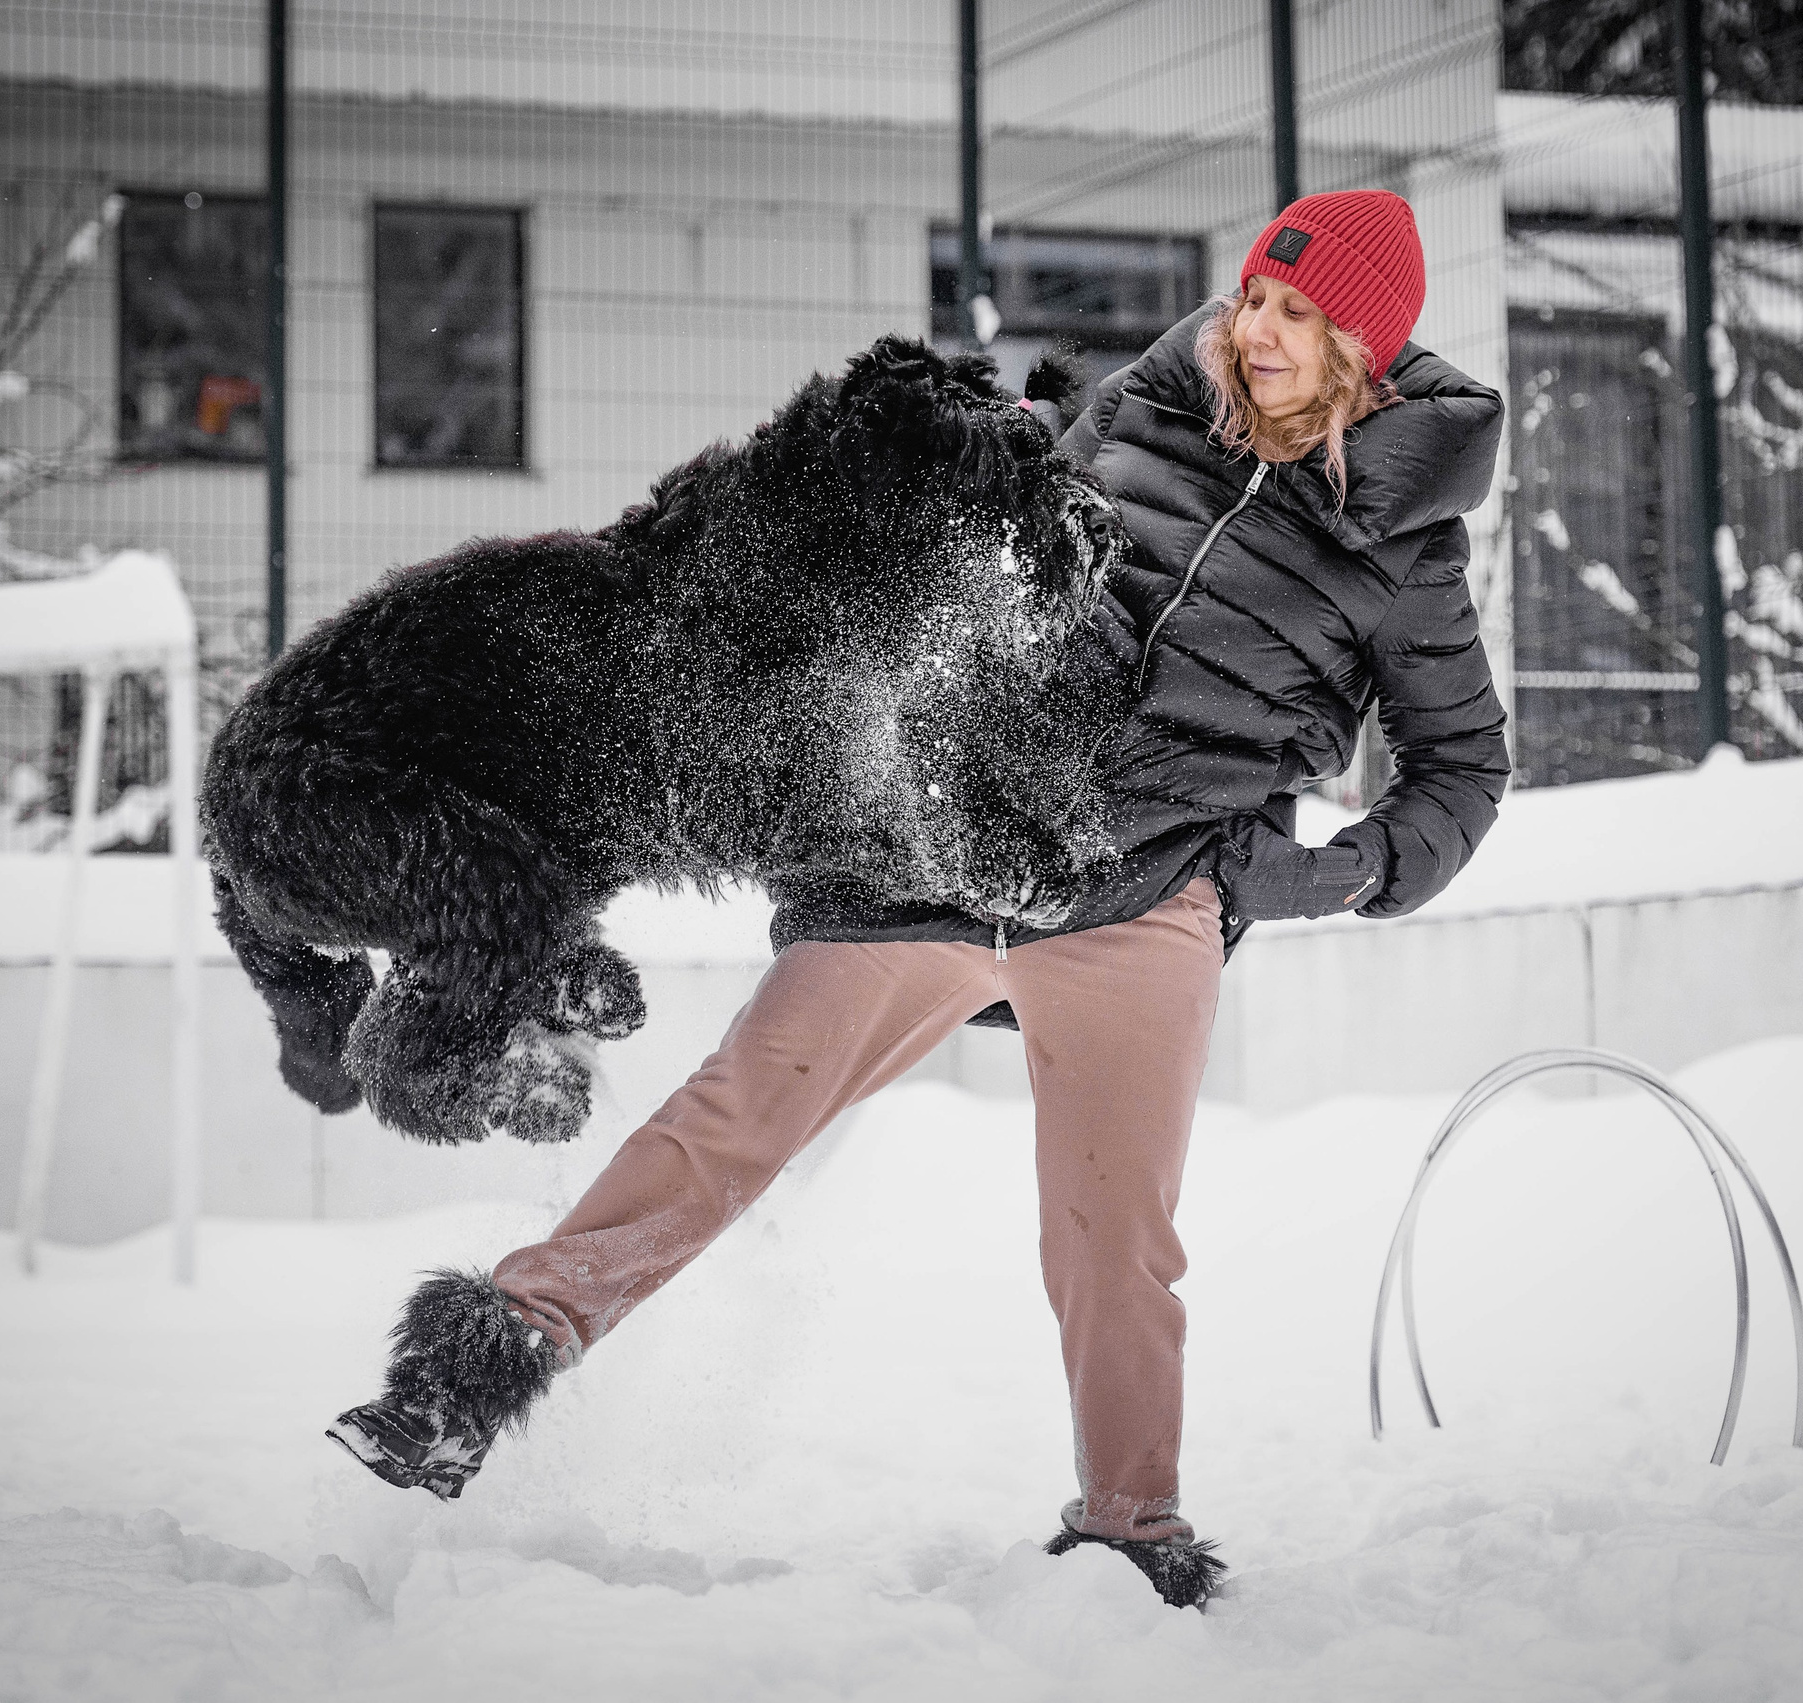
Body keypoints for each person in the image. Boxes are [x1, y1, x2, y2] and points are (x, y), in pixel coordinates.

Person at [334, 190, 1510, 1610]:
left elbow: (1463, 770)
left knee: (1112, 1241)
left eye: (1298, 318)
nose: (1255, 331)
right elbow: (980, 557)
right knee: (735, 1116)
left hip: (1147, 900)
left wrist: (1338, 871)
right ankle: (489, 1360)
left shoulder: (1404, 549)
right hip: (949, 852)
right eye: (1258, 296)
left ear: (1364, 353)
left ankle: (1135, 1527)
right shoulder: (1139, 416)